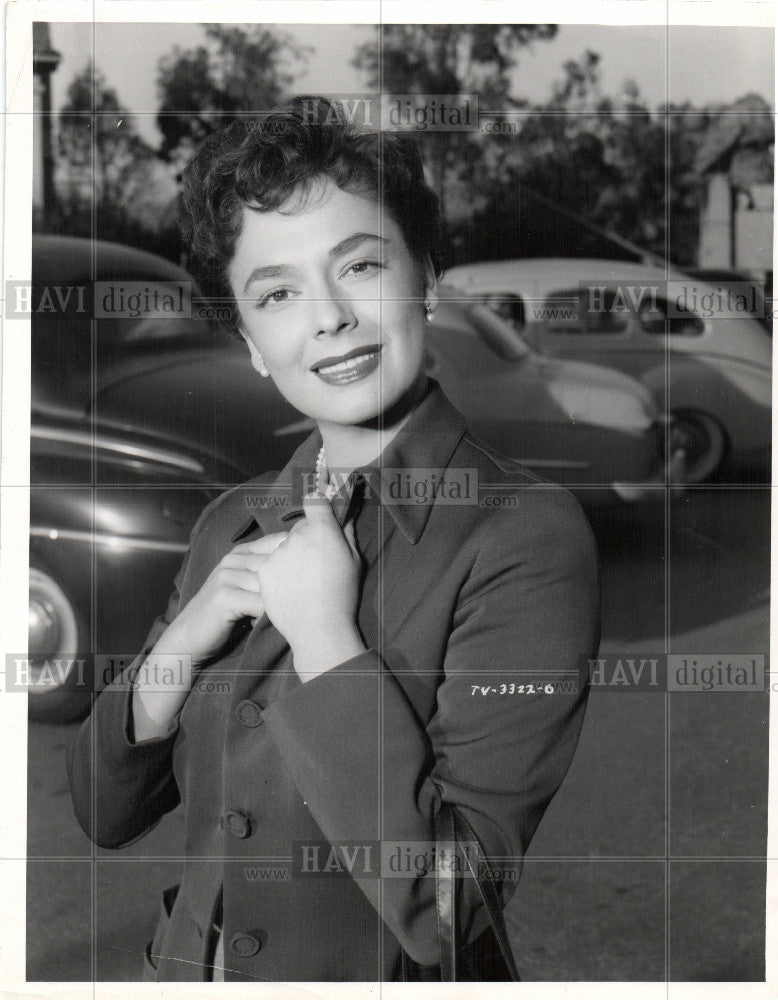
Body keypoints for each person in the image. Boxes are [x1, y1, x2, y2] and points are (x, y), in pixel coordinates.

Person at [67, 95, 600, 982]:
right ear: (248, 339)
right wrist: (184, 643)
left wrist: (325, 641)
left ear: (428, 277)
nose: (329, 317)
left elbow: (449, 910)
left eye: (360, 267)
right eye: (276, 292)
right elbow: (100, 810)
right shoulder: (229, 524)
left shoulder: (524, 535)